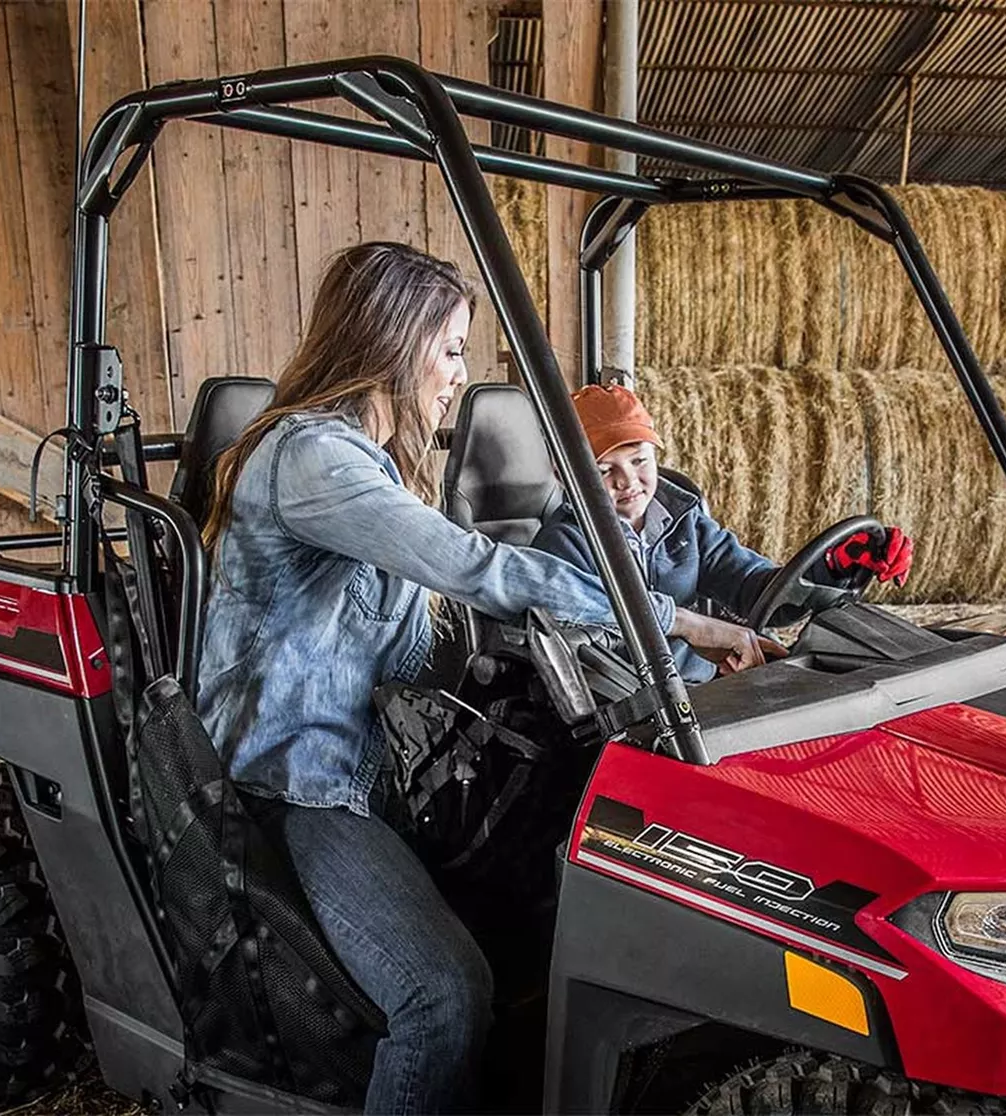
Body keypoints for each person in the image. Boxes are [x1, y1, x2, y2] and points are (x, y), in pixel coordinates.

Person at [191, 242, 771, 1114]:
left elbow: (419, 643)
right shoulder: (311, 458)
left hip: (368, 765)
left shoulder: (376, 464)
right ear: (394, 338)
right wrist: (678, 619)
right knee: (443, 997)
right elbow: (475, 567)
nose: (462, 373)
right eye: (454, 348)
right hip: (293, 785)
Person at [530, 382, 914, 684]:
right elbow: (586, 640)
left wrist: (832, 567)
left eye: (639, 460)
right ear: (566, 477)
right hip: (636, 708)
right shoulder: (563, 546)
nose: (627, 481)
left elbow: (751, 583)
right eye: (603, 470)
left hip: (708, 692)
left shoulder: (683, 520)